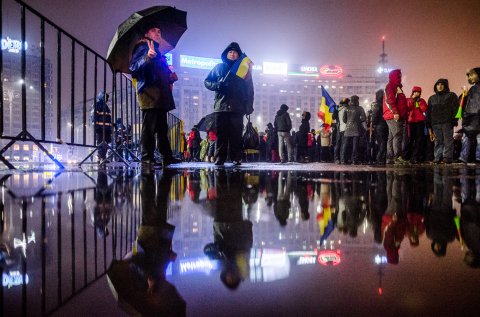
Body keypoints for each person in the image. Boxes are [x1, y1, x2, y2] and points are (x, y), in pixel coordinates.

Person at [129, 26, 181, 168]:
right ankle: (147, 158)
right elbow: (133, 68)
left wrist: (170, 77)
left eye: (159, 31)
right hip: (149, 93)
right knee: (150, 127)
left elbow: (159, 72)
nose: (158, 33)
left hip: (161, 94)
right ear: (146, 33)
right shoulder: (142, 46)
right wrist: (147, 57)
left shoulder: (158, 50)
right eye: (154, 31)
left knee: (162, 128)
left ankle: (167, 157)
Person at [204, 42, 254, 166]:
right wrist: (217, 85)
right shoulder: (219, 67)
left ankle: (236, 157)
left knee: (236, 134)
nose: (232, 54)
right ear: (226, 54)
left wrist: (249, 105)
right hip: (221, 107)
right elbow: (207, 81)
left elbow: (249, 89)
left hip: (238, 108)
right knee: (221, 134)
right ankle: (219, 158)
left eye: (235, 52)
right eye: (230, 52)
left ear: (239, 55)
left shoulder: (243, 70)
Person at [426, 79, 459, 164]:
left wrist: (454, 120)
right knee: (438, 141)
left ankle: (447, 158)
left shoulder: (451, 95)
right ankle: (437, 157)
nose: (439, 86)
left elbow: (456, 108)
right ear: (435, 86)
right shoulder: (432, 98)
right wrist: (429, 124)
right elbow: (428, 112)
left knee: (448, 141)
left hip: (447, 122)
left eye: (442, 84)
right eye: (438, 84)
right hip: (435, 124)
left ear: (445, 86)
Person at [383, 69, 408, 165]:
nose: (400, 77)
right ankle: (397, 157)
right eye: (398, 76)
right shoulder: (391, 86)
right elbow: (390, 100)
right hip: (393, 115)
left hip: (393, 115)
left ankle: (390, 157)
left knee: (391, 136)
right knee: (397, 135)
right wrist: (395, 112)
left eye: (400, 76)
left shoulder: (396, 87)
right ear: (394, 76)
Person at [460, 68, 480, 164]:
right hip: (471, 117)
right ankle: (464, 157)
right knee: (467, 137)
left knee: (477, 138)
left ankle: (476, 157)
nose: (470, 77)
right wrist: (464, 95)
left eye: (472, 74)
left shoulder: (475, 89)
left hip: (474, 117)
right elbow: (465, 104)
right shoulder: (472, 89)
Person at [406, 86, 428, 164]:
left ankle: (416, 157)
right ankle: (409, 156)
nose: (416, 93)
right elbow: (407, 108)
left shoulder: (422, 100)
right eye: (415, 92)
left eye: (418, 92)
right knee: (411, 139)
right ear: (413, 92)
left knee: (419, 140)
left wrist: (419, 102)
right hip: (411, 122)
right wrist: (412, 100)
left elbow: (424, 109)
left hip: (420, 122)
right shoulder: (409, 100)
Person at [341, 96, 365, 164]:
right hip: (356, 129)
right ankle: (354, 160)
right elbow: (363, 118)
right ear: (357, 100)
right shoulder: (360, 108)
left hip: (348, 129)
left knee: (345, 145)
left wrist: (349, 122)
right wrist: (357, 121)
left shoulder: (346, 108)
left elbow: (344, 119)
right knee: (355, 145)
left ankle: (343, 160)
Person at [91, 91, 113, 162]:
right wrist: (96, 126)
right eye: (105, 97)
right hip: (100, 128)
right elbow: (94, 116)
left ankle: (103, 157)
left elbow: (108, 118)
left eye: (106, 97)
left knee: (105, 143)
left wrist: (111, 127)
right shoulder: (98, 105)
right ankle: (100, 157)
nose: (106, 99)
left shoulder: (105, 106)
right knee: (100, 143)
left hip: (106, 129)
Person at [371, 90, 388, 164]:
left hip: (379, 126)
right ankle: (382, 158)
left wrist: (374, 124)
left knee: (381, 143)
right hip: (385, 125)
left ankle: (379, 158)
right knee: (384, 142)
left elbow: (374, 116)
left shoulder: (376, 104)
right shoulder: (385, 104)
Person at [333, 98, 349, 164]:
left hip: (340, 128)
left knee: (340, 144)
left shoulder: (339, 108)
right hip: (340, 128)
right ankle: (339, 159)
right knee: (341, 144)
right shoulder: (342, 109)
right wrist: (335, 109)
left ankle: (339, 159)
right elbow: (333, 117)